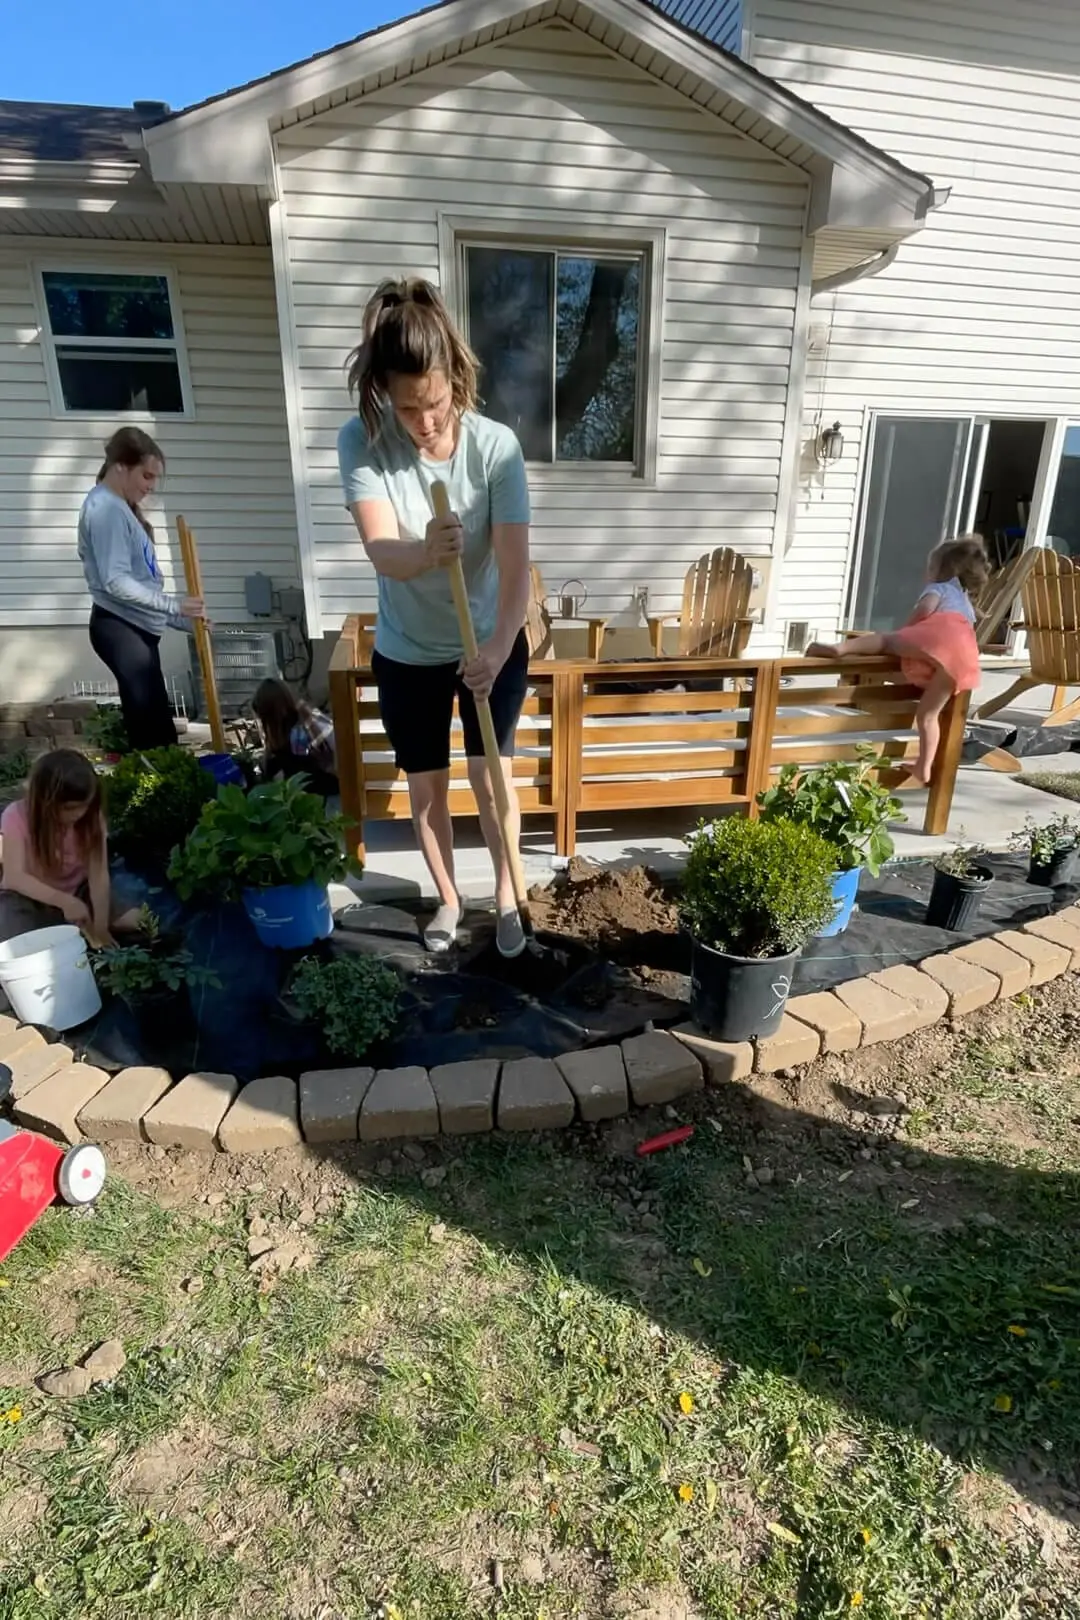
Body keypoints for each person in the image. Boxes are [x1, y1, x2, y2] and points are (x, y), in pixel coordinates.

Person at [337, 277, 531, 958]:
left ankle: (508, 897)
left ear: (457, 377)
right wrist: (425, 551)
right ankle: (449, 899)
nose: (426, 421)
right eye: (409, 406)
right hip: (409, 647)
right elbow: (382, 552)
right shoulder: (361, 444)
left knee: (491, 776)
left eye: (438, 402)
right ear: (386, 392)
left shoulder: (496, 448)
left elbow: (515, 571)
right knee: (427, 788)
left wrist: (499, 649)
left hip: (491, 637)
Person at [805, 535, 989, 783]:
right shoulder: (965, 601)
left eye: (931, 567)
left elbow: (926, 611)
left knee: (885, 640)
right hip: (964, 657)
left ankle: (841, 649)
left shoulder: (940, 588)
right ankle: (924, 766)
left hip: (940, 637)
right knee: (927, 715)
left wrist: (907, 630)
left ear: (943, 570)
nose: (928, 572)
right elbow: (959, 640)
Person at [79, 427, 206, 750]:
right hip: (120, 629)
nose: (150, 487)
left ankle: (161, 788)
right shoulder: (106, 510)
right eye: (146, 476)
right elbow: (115, 581)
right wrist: (175, 606)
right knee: (150, 732)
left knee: (158, 726)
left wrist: (184, 621)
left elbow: (142, 585)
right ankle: (149, 794)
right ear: (121, 465)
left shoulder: (119, 508)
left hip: (133, 628)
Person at [0, 750, 141, 946]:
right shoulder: (15, 816)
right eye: (69, 808)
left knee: (137, 922)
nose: (78, 814)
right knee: (17, 945)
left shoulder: (91, 819)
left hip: (80, 892)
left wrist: (100, 927)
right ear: (44, 802)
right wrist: (65, 902)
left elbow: (98, 874)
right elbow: (15, 878)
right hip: (30, 897)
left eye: (85, 806)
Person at [251, 677, 338, 798]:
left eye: (264, 719)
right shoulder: (292, 721)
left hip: (326, 792)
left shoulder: (298, 731)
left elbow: (304, 774)